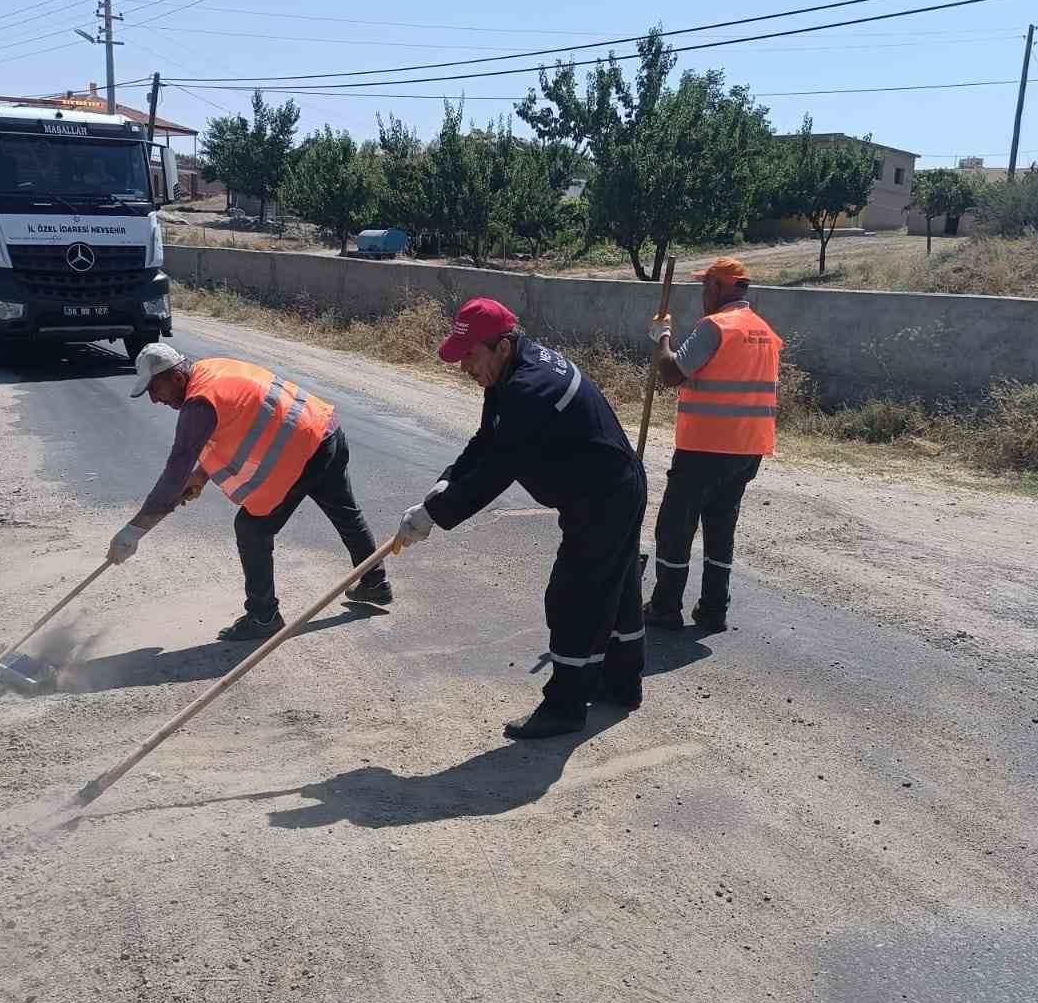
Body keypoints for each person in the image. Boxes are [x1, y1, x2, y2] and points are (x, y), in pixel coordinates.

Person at [391, 298, 647, 740]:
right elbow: (486, 439)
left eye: (471, 355)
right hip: (605, 489)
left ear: (502, 345)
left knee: (573, 597)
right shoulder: (509, 372)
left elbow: (497, 469)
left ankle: (565, 706)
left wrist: (434, 515)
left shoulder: (532, 386)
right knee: (616, 588)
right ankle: (622, 685)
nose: (465, 367)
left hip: (604, 497)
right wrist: (445, 482)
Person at [108, 344, 390, 640]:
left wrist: (134, 530)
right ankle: (374, 582)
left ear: (176, 378)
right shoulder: (212, 369)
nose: (154, 399)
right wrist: (201, 476)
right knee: (345, 513)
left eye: (155, 388)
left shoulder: (199, 402)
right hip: (325, 432)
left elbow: (174, 472)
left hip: (303, 452)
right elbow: (240, 421)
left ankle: (263, 615)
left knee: (251, 528)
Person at [643, 257, 783, 633]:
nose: (703, 293)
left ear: (722, 287)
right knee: (721, 528)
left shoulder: (715, 327)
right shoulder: (766, 332)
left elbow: (672, 372)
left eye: (706, 286)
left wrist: (663, 337)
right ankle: (713, 610)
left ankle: (666, 608)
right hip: (748, 450)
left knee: (675, 527)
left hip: (705, 447)